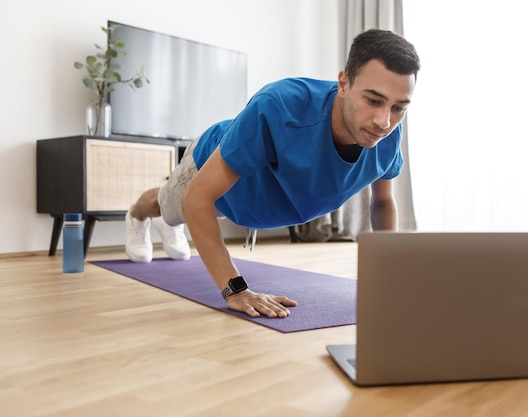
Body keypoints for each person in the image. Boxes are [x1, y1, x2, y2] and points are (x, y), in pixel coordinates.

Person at [125, 29, 420, 319]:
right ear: (343, 83)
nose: (384, 121)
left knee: (186, 213)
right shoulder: (280, 106)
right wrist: (236, 290)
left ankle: (168, 224)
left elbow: (382, 203)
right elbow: (197, 199)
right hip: (209, 169)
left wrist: (388, 275)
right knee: (166, 206)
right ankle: (137, 216)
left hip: (254, 201)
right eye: (373, 100)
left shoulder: (389, 136)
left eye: (398, 107)